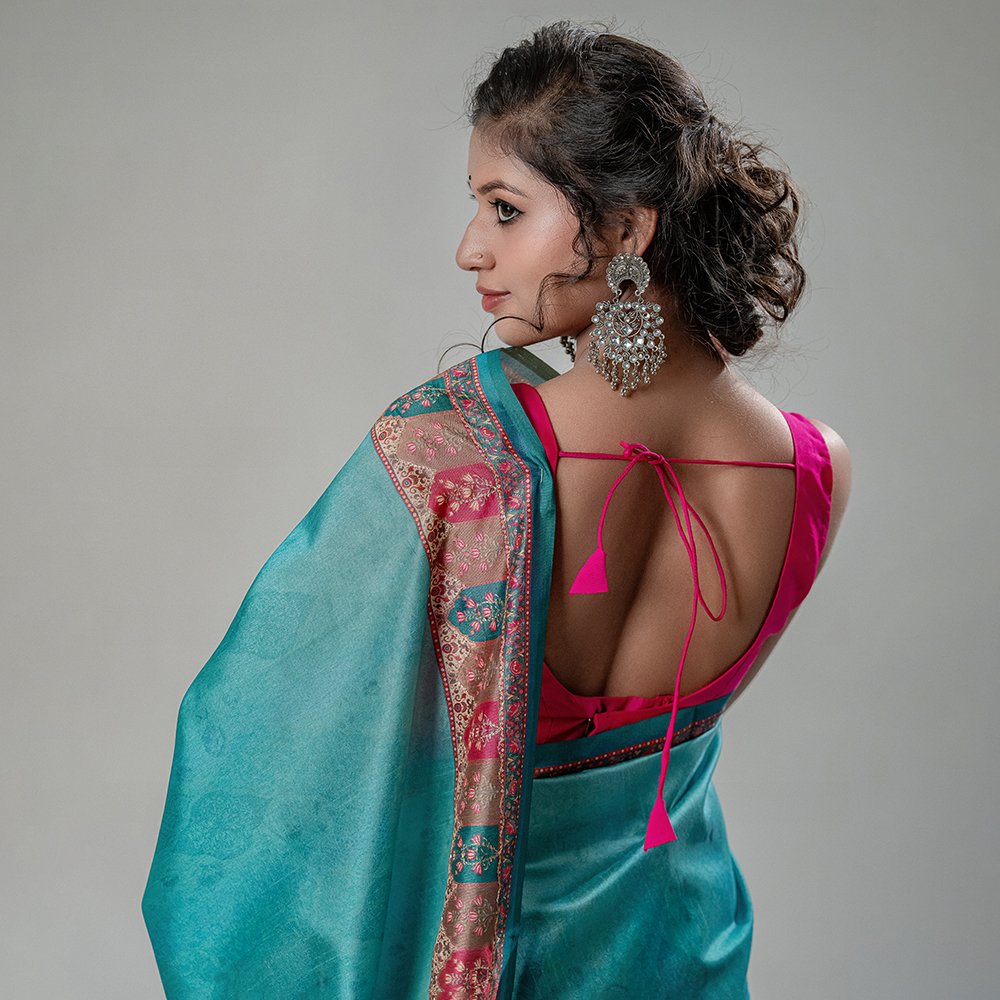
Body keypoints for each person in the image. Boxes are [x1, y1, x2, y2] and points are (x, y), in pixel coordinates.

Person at [141, 20, 850, 1000]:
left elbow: (261, 759)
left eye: (506, 209)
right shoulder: (816, 470)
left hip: (497, 964)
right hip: (684, 953)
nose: (470, 247)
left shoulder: (454, 459)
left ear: (626, 231)